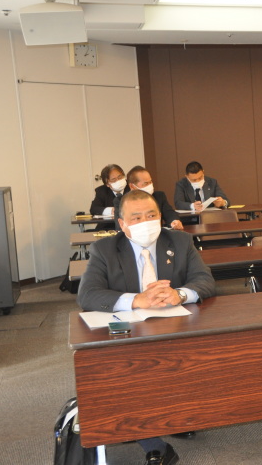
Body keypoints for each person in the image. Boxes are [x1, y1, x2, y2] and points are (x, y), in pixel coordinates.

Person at [77, 189, 216, 465]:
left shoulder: (180, 240)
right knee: (123, 374)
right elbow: (87, 294)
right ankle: (155, 445)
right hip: (128, 334)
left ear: (160, 217)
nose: (145, 222)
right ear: (122, 224)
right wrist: (136, 300)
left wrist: (180, 294)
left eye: (151, 215)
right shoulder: (105, 249)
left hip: (174, 327)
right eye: (136, 217)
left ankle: (177, 416)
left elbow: (205, 280)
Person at [114, 166, 183, 231]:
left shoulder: (159, 196)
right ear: (132, 186)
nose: (150, 185)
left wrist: (174, 221)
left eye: (150, 182)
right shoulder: (121, 201)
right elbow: (120, 226)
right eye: (146, 183)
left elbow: (169, 213)